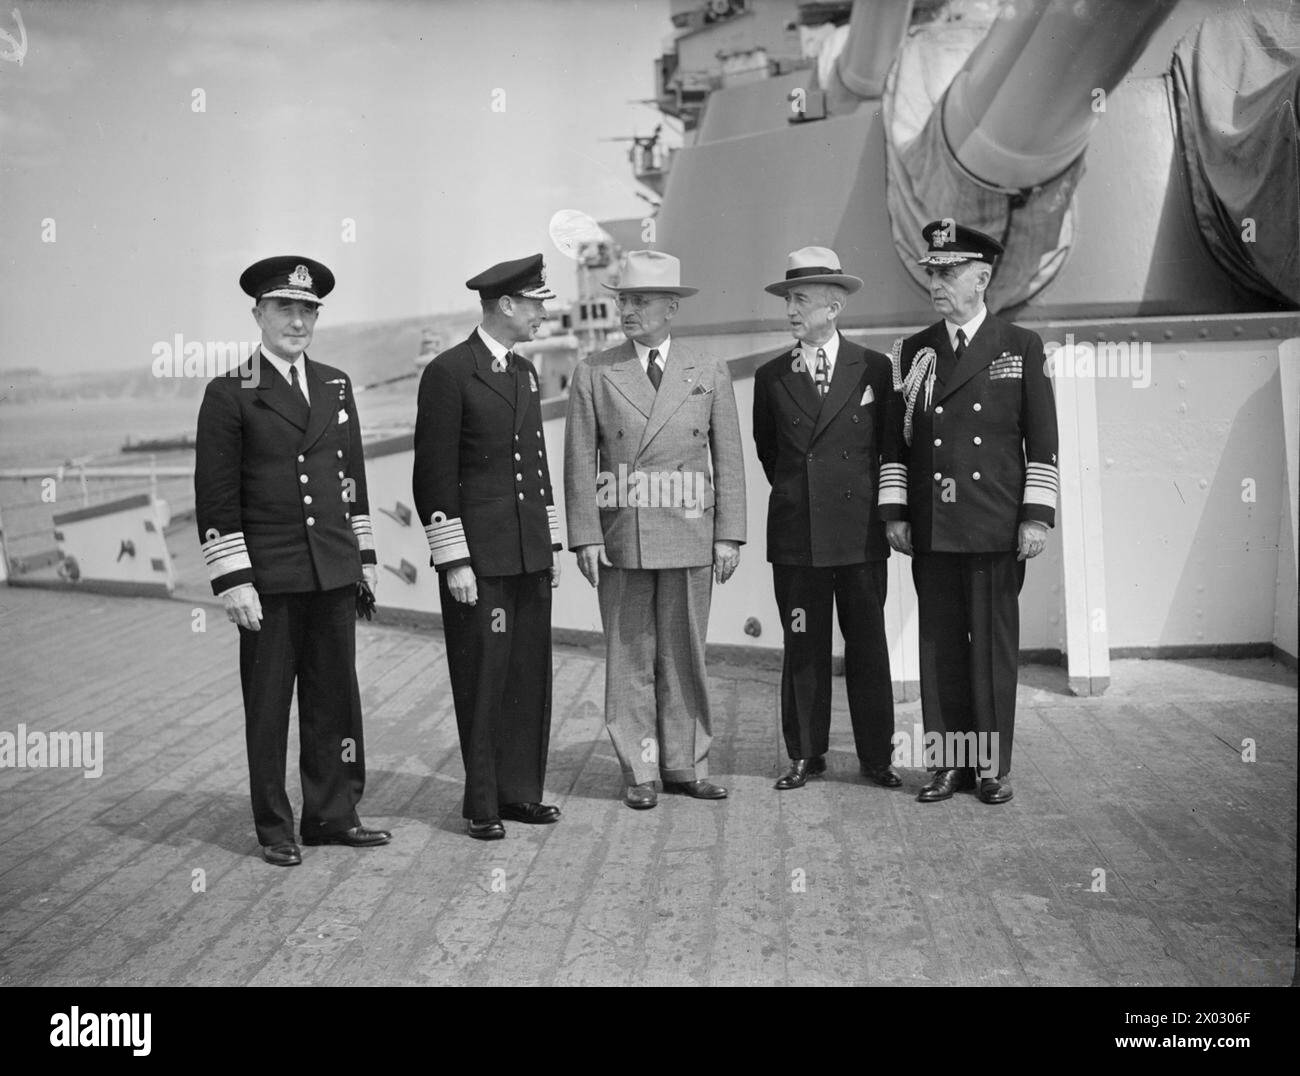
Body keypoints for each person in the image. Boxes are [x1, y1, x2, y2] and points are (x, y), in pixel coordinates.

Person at [195, 255, 390, 866]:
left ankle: (333, 814)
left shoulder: (335, 384)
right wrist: (233, 579)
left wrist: (364, 555)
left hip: (331, 569)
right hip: (270, 576)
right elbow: (217, 496)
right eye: (285, 308)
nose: (297, 321)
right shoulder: (231, 392)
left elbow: (351, 477)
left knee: (336, 698)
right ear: (258, 314)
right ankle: (274, 826)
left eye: (308, 310)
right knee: (270, 703)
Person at [879, 221, 1059, 805]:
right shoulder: (914, 351)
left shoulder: (1020, 346)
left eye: (949, 272)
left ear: (981, 278)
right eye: (933, 271)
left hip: (992, 525)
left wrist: (1035, 517)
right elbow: (895, 446)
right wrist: (896, 513)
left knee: (991, 648)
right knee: (940, 647)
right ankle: (947, 765)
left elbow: (1042, 441)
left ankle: (989, 768)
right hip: (933, 527)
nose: (937, 281)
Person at [564, 250, 746, 810]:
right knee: (629, 657)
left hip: (691, 532)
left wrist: (728, 534)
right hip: (625, 535)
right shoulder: (595, 369)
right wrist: (587, 536)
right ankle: (640, 769)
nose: (628, 310)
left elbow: (729, 458)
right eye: (624, 300)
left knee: (685, 654)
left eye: (640, 300)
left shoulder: (708, 368)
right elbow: (577, 462)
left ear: (672, 307)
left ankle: (684, 765)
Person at [412, 253, 563, 841]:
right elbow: (433, 476)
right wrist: (454, 559)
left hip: (526, 554)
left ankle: (521, 793)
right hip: (479, 560)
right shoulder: (450, 373)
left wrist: (547, 545)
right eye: (535, 304)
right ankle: (481, 805)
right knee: (484, 678)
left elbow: (536, 467)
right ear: (505, 305)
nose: (541, 314)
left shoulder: (523, 372)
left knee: (529, 677)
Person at [752, 247, 900, 792]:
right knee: (803, 645)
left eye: (800, 299)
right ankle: (805, 754)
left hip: (860, 535)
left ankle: (876, 756)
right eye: (789, 299)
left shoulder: (876, 368)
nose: (790, 309)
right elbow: (772, 454)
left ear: (834, 306)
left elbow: (889, 452)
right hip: (797, 536)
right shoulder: (771, 377)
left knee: (868, 645)